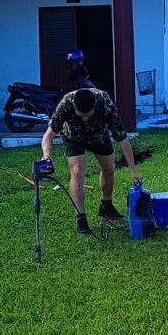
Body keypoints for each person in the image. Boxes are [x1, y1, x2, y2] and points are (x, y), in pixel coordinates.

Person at [41, 88, 143, 235]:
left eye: (88, 115)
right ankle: (81, 218)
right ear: (74, 107)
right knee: (77, 172)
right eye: (80, 115)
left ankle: (106, 206)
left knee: (109, 169)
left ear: (95, 106)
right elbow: (49, 134)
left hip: (98, 135)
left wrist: (133, 169)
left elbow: (122, 138)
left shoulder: (105, 103)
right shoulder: (65, 103)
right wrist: (46, 155)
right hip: (73, 137)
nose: (85, 119)